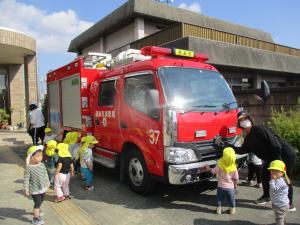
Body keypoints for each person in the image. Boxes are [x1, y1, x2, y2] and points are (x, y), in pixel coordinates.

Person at [216, 111, 296, 211]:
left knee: (284, 178)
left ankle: (290, 204)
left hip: (284, 154)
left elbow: (275, 144)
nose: (244, 121)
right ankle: (267, 196)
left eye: (246, 118)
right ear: (239, 124)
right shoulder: (248, 139)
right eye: (241, 120)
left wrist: (279, 162)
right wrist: (225, 145)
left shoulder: (260, 129)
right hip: (271, 158)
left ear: (250, 119)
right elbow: (241, 150)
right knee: (264, 174)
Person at [205, 147, 239, 215]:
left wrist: (208, 168)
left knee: (219, 199)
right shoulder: (234, 168)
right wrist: (235, 185)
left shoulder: (220, 165)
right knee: (231, 200)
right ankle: (232, 210)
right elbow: (236, 178)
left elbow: (213, 171)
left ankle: (219, 210)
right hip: (230, 188)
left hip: (220, 187)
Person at [24, 145, 49, 225]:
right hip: (34, 189)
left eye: (41, 155)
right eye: (38, 156)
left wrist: (47, 182)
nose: (40, 157)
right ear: (31, 157)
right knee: (37, 204)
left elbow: (45, 174)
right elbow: (26, 179)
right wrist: (26, 189)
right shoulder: (29, 168)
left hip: (43, 187)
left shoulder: (42, 165)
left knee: (41, 201)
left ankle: (36, 210)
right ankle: (36, 218)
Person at [268, 160, 290, 225]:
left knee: (279, 218)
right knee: (282, 217)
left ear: (282, 173)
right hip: (280, 204)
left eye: (277, 171)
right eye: (272, 170)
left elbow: (274, 189)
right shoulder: (277, 179)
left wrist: (271, 180)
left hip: (281, 205)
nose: (273, 172)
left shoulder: (281, 181)